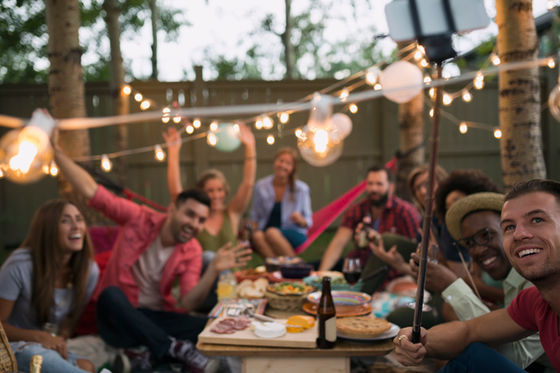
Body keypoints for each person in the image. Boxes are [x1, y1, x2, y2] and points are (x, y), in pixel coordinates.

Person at [53, 141, 252, 373]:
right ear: (172, 209)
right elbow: (92, 191)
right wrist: (56, 152)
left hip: (153, 317)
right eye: (190, 214)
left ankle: (150, 354)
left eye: (200, 220)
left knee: (207, 324)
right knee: (110, 295)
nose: (194, 224)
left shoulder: (193, 249)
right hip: (118, 320)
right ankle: (173, 349)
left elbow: (188, 302)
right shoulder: (138, 217)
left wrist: (213, 270)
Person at [394, 179, 560, 372]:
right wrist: (415, 341)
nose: (519, 234)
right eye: (509, 227)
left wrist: (451, 285)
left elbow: (517, 356)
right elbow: (468, 332)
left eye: (537, 220)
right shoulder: (534, 301)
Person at [0, 199, 99, 373]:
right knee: (40, 356)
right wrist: (38, 336)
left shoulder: (89, 271)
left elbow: (68, 320)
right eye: (65, 220)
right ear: (47, 230)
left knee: (87, 366)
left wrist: (59, 338)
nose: (76, 226)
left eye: (79, 219)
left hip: (45, 347)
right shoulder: (20, 265)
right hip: (11, 348)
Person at [164, 123, 256, 259]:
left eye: (220, 190)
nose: (216, 195)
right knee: (208, 257)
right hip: (205, 276)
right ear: (201, 192)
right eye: (210, 191)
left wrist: (250, 147)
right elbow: (176, 193)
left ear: (225, 192)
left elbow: (248, 184)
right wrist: (173, 152)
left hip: (233, 278)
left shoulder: (231, 213)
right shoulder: (194, 217)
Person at [319, 165, 420, 272]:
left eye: (379, 184)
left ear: (391, 187)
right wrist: (320, 274)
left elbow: (415, 249)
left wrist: (380, 240)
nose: (373, 189)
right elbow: (338, 243)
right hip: (362, 269)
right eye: (370, 183)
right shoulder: (357, 210)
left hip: (394, 272)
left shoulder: (405, 211)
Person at [250, 147, 313, 257]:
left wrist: (300, 219)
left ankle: (295, 265)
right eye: (281, 160)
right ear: (275, 162)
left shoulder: (301, 189)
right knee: (257, 236)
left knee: (272, 233)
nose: (283, 165)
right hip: (266, 229)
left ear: (293, 168)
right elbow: (255, 215)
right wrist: (250, 228)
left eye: (288, 163)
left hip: (293, 231)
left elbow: (308, 221)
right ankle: (276, 269)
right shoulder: (261, 186)